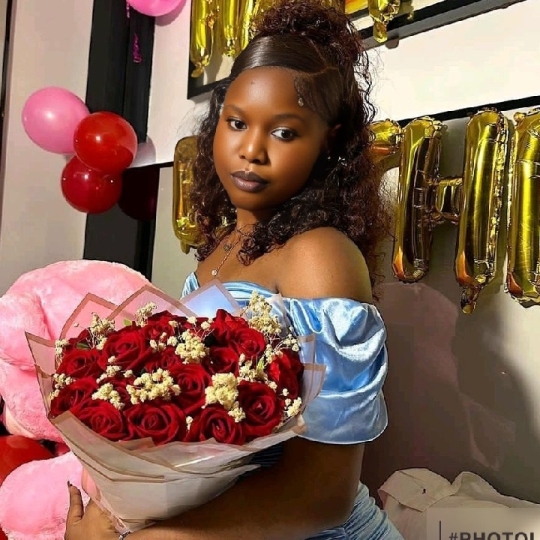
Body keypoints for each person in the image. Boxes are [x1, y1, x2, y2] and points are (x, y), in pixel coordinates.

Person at [65, 1, 403, 538]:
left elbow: (323, 496)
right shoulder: (219, 248)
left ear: (329, 141)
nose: (251, 150)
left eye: (284, 133)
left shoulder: (319, 255)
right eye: (238, 122)